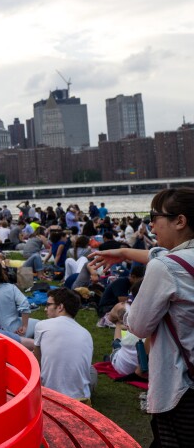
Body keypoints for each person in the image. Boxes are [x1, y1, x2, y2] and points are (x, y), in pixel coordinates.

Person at [90, 188, 194, 445]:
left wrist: (122, 312)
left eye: (154, 216)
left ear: (179, 221)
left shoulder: (165, 268)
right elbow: (163, 256)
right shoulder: (176, 261)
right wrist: (125, 252)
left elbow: (138, 326)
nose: (150, 224)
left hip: (181, 386)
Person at [34, 288, 96, 403]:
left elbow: (36, 363)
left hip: (50, 396)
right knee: (92, 370)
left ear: (60, 307)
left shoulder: (41, 325)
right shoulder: (86, 334)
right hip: (81, 400)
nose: (45, 309)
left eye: (48, 305)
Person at [0, 257, 38, 338]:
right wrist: (24, 326)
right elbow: (24, 305)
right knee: (41, 325)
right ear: (2, 272)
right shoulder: (11, 288)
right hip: (13, 330)